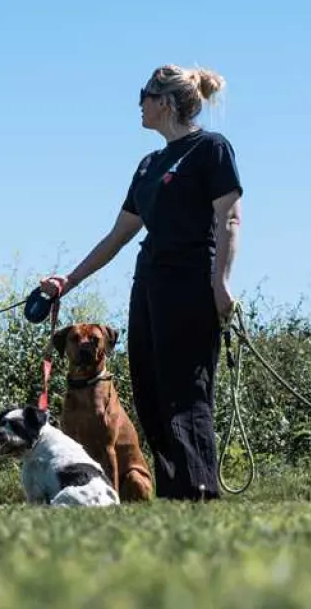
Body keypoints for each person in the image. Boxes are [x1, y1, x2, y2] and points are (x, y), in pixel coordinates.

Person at [39, 64, 243, 502]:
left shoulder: (211, 149)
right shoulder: (149, 165)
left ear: (165, 102)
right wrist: (67, 281)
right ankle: (173, 496)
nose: (139, 106)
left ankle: (200, 493)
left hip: (190, 284)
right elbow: (117, 236)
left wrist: (220, 283)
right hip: (148, 285)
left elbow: (229, 217)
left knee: (185, 394)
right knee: (150, 394)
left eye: (144, 97)